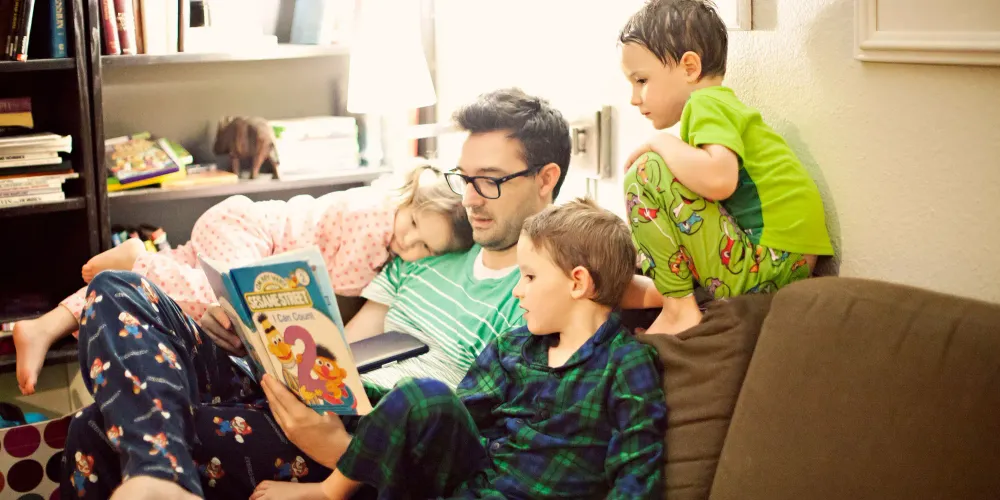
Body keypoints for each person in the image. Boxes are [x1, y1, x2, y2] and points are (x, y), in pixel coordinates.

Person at [59, 87, 573, 500]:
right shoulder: (432, 252)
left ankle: (160, 475)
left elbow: (463, 446)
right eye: (465, 178)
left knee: (93, 428)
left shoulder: (542, 293)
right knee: (119, 288)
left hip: (355, 444)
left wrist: (334, 447)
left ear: (545, 179)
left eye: (490, 181)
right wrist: (265, 345)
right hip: (310, 391)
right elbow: (345, 348)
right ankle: (159, 474)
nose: (471, 200)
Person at [251, 199, 667, 500]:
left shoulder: (626, 363)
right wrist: (358, 398)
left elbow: (637, 471)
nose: (518, 291)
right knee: (423, 395)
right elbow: (456, 414)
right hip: (470, 484)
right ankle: (331, 488)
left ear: (577, 283)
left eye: (529, 277)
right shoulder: (513, 346)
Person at [15, 165, 473, 396]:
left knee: (183, 283)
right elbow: (328, 296)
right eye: (414, 225)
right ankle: (139, 259)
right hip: (253, 234)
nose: (409, 243)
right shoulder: (375, 221)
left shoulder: (385, 219)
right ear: (407, 198)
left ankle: (44, 325)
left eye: (425, 248)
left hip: (244, 231)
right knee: (216, 302)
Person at [618, 0, 834, 334]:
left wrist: (662, 143)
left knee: (646, 171)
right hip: (785, 261)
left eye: (641, 80)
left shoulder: (706, 103)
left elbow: (720, 179)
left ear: (690, 67)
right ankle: (675, 299)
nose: (634, 97)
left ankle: (678, 309)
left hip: (770, 260)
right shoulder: (721, 107)